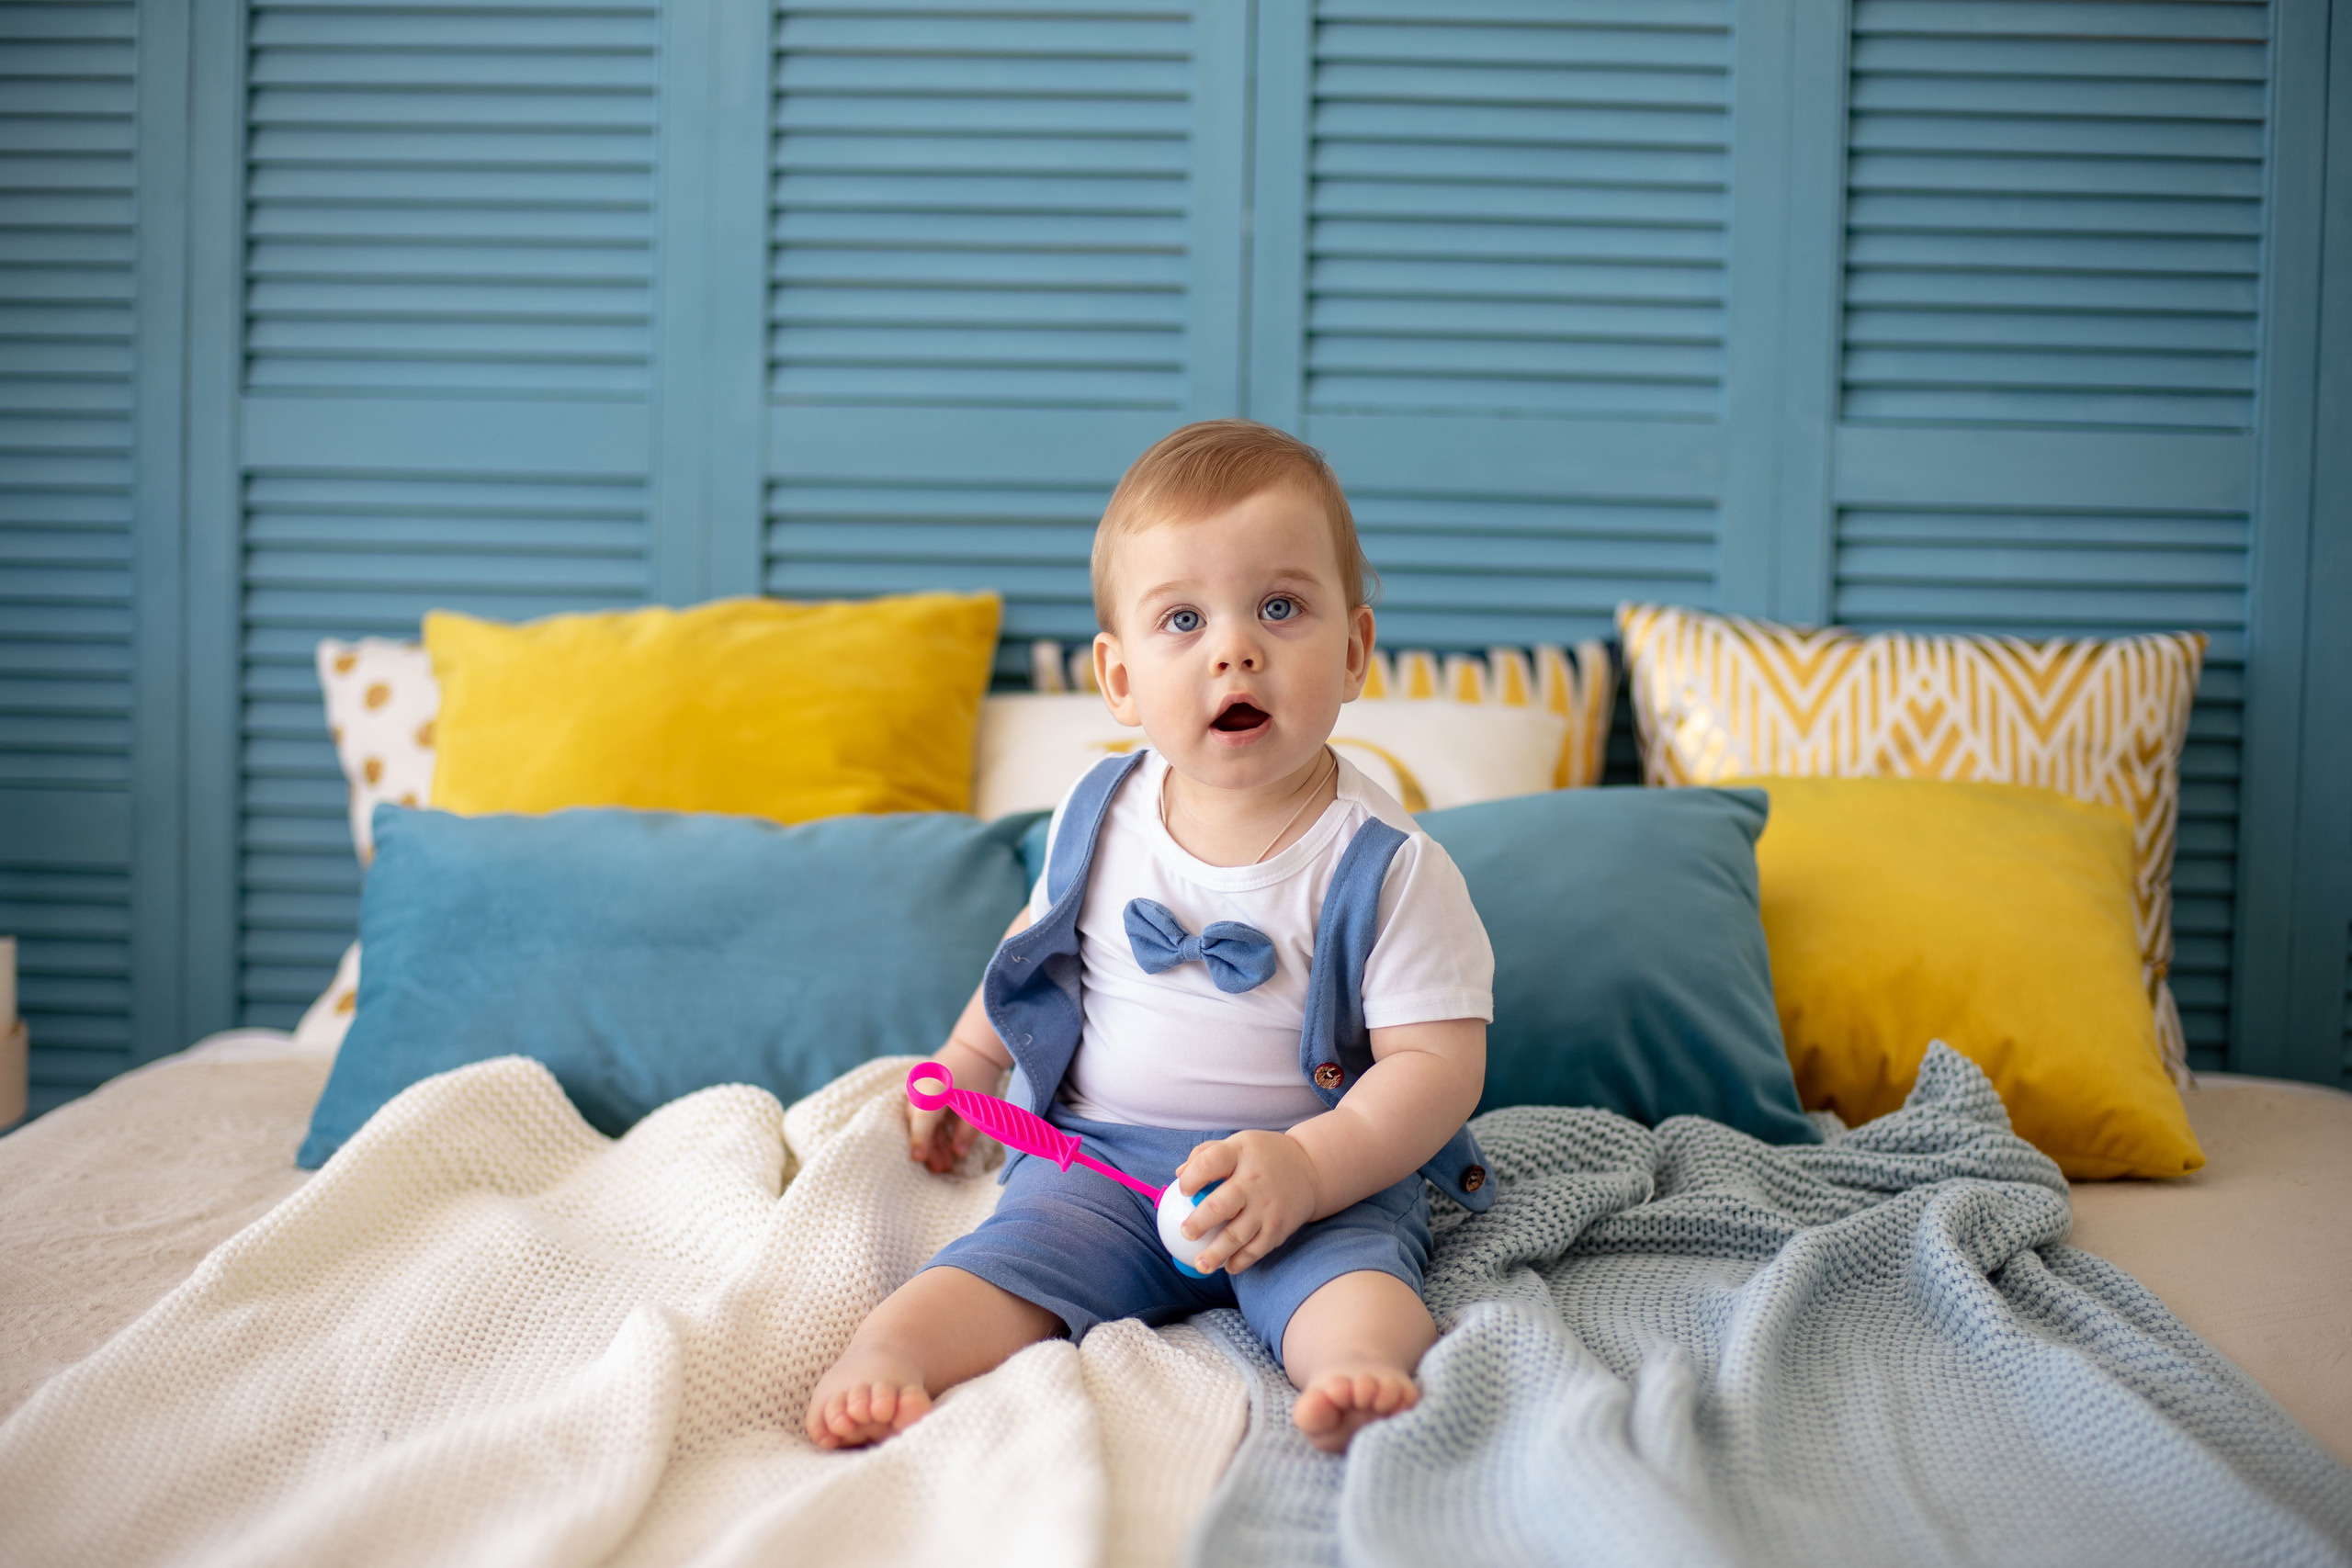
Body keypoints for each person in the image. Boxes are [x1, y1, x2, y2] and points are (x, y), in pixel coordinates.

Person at [805, 420, 1496, 1454]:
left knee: (1353, 1282)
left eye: (1279, 606)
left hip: (1308, 1175)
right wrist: (966, 1058)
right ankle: (890, 1355)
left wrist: (1310, 1168)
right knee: (1000, 1262)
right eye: (1182, 618)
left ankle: (1362, 1376)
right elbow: (1032, 941)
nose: (1235, 647)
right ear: (1119, 679)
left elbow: (1439, 1066)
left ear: (1353, 652)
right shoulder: (1100, 811)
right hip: (1102, 1162)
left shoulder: (1388, 865)